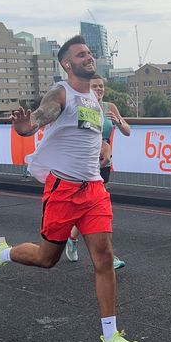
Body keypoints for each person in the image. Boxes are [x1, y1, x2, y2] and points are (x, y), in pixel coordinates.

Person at [0, 36, 143, 342]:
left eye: (89, 53)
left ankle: (111, 336)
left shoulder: (94, 98)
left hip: (93, 189)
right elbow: (41, 117)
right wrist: (27, 125)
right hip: (63, 189)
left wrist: (104, 146)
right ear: (67, 64)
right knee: (46, 259)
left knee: (104, 257)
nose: (88, 57)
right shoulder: (61, 92)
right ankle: (2, 253)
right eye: (81, 55)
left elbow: (87, 133)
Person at [66, 74, 131, 270]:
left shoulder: (109, 107)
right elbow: (83, 135)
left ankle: (71, 238)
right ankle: (107, 255)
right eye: (94, 86)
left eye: (101, 86)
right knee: (98, 208)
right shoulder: (83, 107)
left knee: (93, 207)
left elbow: (127, 131)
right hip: (87, 162)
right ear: (87, 88)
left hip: (104, 161)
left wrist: (118, 121)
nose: (99, 89)